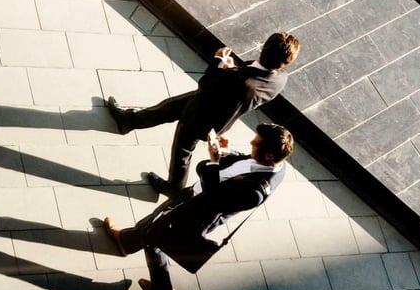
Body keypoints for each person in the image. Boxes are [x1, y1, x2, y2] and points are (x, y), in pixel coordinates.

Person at [103, 123, 294, 290]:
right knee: (156, 225)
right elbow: (246, 161)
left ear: (269, 156)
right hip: (194, 194)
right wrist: (227, 152)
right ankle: (129, 246)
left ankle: (152, 273)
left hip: (195, 212)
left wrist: (213, 161)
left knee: (156, 233)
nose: (251, 143)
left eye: (256, 143)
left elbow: (213, 198)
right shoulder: (277, 164)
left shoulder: (254, 193)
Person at [106, 32, 299, 196]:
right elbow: (242, 85)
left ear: (264, 48)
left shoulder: (239, 81)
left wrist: (219, 62)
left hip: (203, 115)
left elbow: (207, 83)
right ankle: (128, 121)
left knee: (182, 151)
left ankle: (174, 187)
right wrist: (230, 71)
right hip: (215, 105)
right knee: (167, 108)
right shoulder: (280, 79)